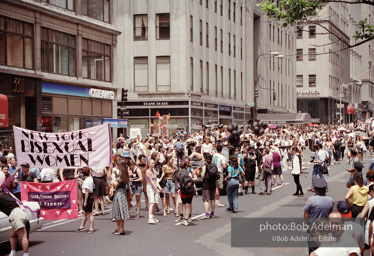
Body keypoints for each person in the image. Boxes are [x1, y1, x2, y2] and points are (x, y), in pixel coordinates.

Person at [303, 178, 334, 254]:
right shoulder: (330, 200)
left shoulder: (311, 200)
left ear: (315, 189)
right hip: (325, 227)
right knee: (324, 249)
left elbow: (306, 215)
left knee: (313, 250)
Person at [0, 187, 29, 256]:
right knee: (12, 235)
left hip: (15, 215)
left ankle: (26, 254)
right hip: (21, 212)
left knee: (23, 236)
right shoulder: (6, 195)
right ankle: (12, 253)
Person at [110, 159, 130, 235]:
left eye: (117, 165)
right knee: (117, 210)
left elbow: (116, 184)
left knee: (120, 211)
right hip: (119, 192)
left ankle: (121, 229)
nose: (116, 166)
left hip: (120, 193)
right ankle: (118, 228)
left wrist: (113, 177)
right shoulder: (123, 173)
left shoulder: (121, 175)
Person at [76, 166, 95, 234]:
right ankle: (82, 226)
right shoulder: (90, 178)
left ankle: (91, 228)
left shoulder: (87, 181)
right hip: (90, 196)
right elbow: (86, 183)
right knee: (84, 212)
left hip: (88, 197)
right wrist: (80, 180)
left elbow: (86, 191)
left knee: (89, 213)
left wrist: (86, 201)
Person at [146, 159, 163, 224]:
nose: (153, 164)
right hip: (150, 187)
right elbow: (151, 181)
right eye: (152, 163)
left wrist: (160, 188)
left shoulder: (155, 171)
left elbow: (156, 181)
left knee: (155, 203)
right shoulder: (148, 172)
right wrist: (156, 189)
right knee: (152, 203)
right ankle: (150, 218)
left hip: (154, 187)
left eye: (153, 163)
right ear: (149, 164)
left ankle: (152, 216)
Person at [200, 154, 216, 220]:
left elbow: (202, 175)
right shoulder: (214, 165)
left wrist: (201, 174)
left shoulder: (205, 165)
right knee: (212, 199)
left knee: (206, 199)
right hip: (213, 183)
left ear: (206, 159)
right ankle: (212, 213)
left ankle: (206, 214)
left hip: (206, 184)